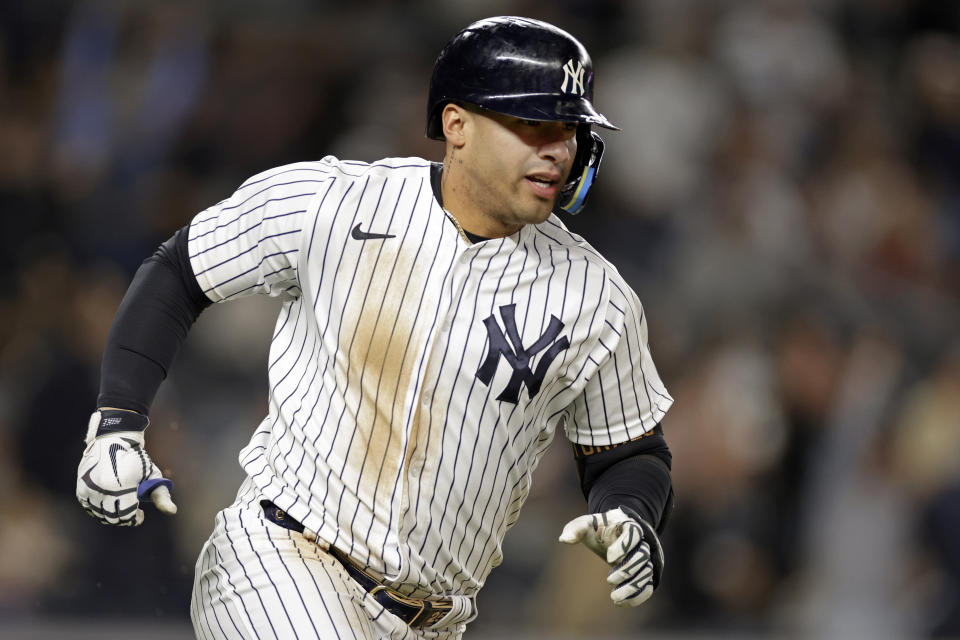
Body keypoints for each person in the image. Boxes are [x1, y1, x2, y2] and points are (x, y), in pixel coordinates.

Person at [76, 16, 675, 639]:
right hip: (281, 558)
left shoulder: (598, 297)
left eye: (570, 129)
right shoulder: (337, 202)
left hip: (435, 620)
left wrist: (630, 515)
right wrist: (117, 422)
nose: (558, 148)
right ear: (457, 125)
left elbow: (629, 452)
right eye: (534, 124)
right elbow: (180, 270)